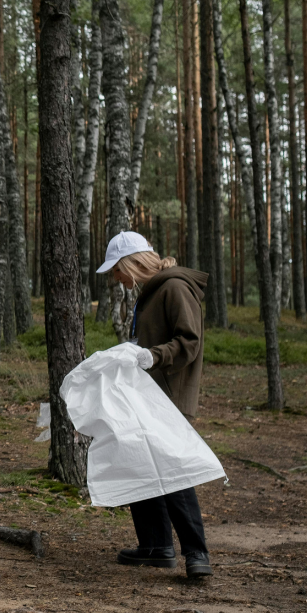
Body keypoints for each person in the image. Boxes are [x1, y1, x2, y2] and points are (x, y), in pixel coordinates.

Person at [98, 230, 213, 578]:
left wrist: (152, 356)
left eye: (117, 270)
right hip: (149, 394)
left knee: (173, 473)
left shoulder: (174, 287)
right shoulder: (149, 293)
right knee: (139, 465)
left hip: (170, 396)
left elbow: (189, 341)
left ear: (132, 264)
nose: (116, 279)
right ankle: (156, 546)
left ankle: (196, 554)